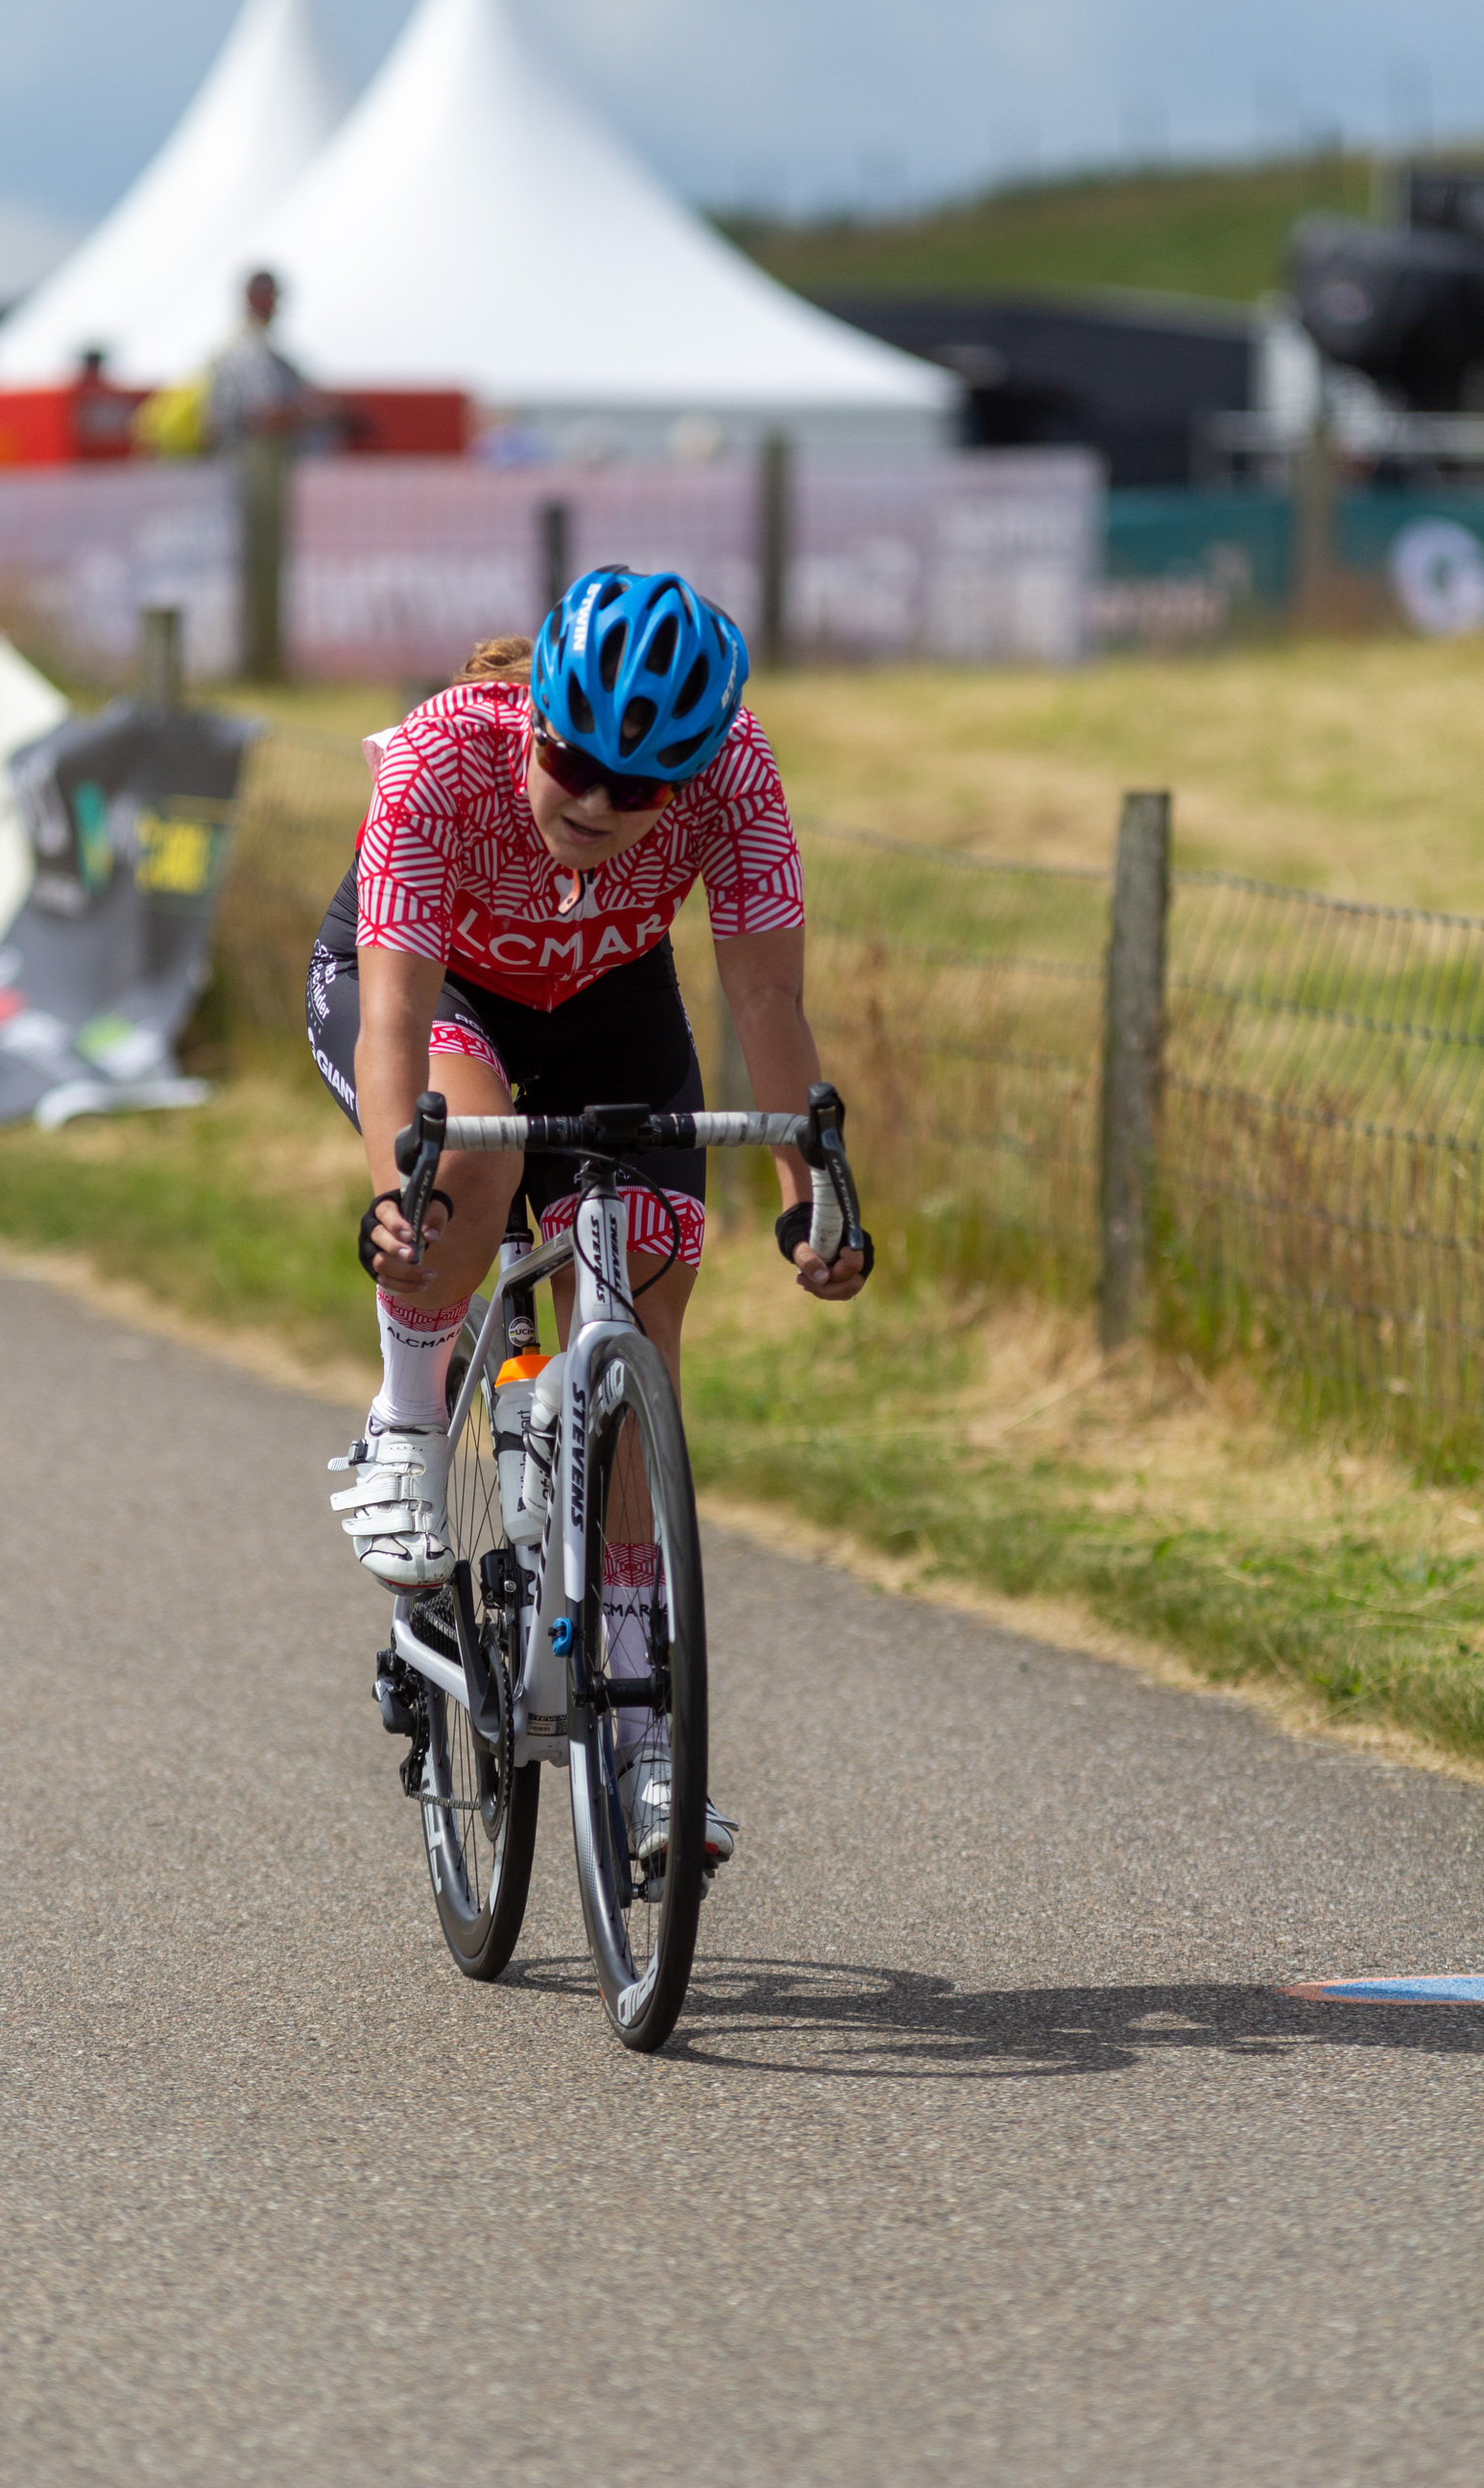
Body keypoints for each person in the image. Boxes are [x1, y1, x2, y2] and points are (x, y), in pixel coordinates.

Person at [305, 566, 871, 1868]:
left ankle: (647, 1745)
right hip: (436, 991)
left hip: (610, 1004)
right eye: (575, 763)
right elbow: (393, 1011)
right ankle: (404, 1421)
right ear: (535, 717)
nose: (603, 802)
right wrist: (402, 1191)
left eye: (644, 786)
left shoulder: (738, 773)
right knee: (474, 1174)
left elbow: (768, 1004)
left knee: (653, 1273)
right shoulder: (444, 753)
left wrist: (807, 1199)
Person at [203, 270, 315, 451]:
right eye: (271, 296)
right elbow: (266, 414)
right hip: (246, 458)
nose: (275, 304)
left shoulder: (239, 344)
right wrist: (315, 412)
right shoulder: (250, 350)